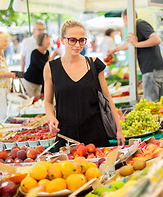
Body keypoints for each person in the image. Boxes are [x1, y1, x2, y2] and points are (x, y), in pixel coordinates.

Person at [44, 20, 125, 151]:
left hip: (96, 135)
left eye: (82, 40)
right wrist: (51, 118)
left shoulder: (94, 65)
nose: (77, 45)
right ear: (62, 40)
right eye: (72, 40)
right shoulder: (51, 67)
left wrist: (119, 129)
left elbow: (108, 98)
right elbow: (48, 102)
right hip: (66, 137)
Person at [108, 9, 163, 102]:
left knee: (151, 106)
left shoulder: (140, 24)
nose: (124, 23)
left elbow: (157, 39)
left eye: (123, 20)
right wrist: (115, 50)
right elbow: (130, 44)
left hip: (151, 70)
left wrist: (136, 44)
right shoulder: (137, 27)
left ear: (126, 18)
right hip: (157, 69)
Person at [21, 33, 58, 98]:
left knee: (37, 104)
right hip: (29, 82)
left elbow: (49, 66)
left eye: (49, 39)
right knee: (29, 103)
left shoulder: (47, 52)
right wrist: (54, 55)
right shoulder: (35, 53)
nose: (49, 42)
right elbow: (44, 67)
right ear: (41, 40)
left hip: (39, 83)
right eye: (46, 39)